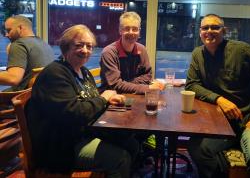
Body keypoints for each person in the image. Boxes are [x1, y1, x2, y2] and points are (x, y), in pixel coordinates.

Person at [26, 25, 139, 176]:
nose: (85, 50)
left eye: (89, 46)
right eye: (79, 45)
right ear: (65, 47)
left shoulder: (83, 72)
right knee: (120, 159)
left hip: (82, 134)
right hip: (62, 146)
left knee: (132, 144)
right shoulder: (55, 74)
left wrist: (107, 99)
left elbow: (90, 101)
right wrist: (103, 98)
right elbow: (74, 113)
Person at [185, 14, 250, 178]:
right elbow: (191, 84)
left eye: (215, 27)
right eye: (205, 28)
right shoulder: (198, 54)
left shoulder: (242, 51)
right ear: (199, 32)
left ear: (224, 31)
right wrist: (219, 99)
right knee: (197, 149)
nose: (209, 31)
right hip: (221, 124)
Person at [100, 11, 164, 94]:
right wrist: (147, 88)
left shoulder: (142, 49)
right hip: (112, 100)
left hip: (133, 97)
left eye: (135, 29)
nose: (131, 32)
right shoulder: (108, 52)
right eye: (127, 29)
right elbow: (115, 85)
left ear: (139, 31)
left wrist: (125, 84)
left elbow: (148, 76)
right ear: (120, 31)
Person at [0, 15, 54, 91]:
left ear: (20, 28)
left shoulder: (19, 44)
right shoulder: (43, 43)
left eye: (9, 30)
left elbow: (13, 78)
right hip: (42, 94)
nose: (6, 35)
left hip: (22, 97)